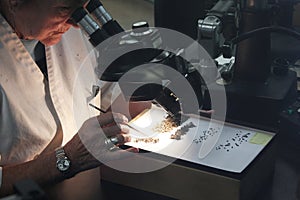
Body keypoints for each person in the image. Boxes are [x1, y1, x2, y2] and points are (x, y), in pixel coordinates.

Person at [0, 0, 149, 197]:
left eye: (82, 7)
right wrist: (69, 158)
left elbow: (108, 97)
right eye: (64, 9)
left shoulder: (69, 30)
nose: (77, 22)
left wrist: (149, 88)